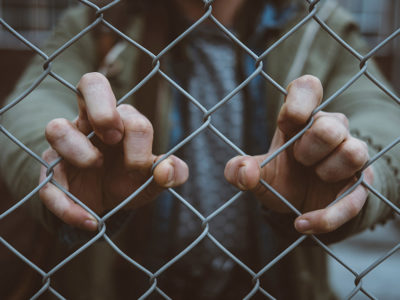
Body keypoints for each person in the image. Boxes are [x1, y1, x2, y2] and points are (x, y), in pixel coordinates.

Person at [0, 0, 399, 299]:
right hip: (125, 283)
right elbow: (31, 108)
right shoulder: (102, 20)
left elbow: (381, 116)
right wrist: (59, 161)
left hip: (276, 283)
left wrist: (358, 169)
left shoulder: (316, 24)